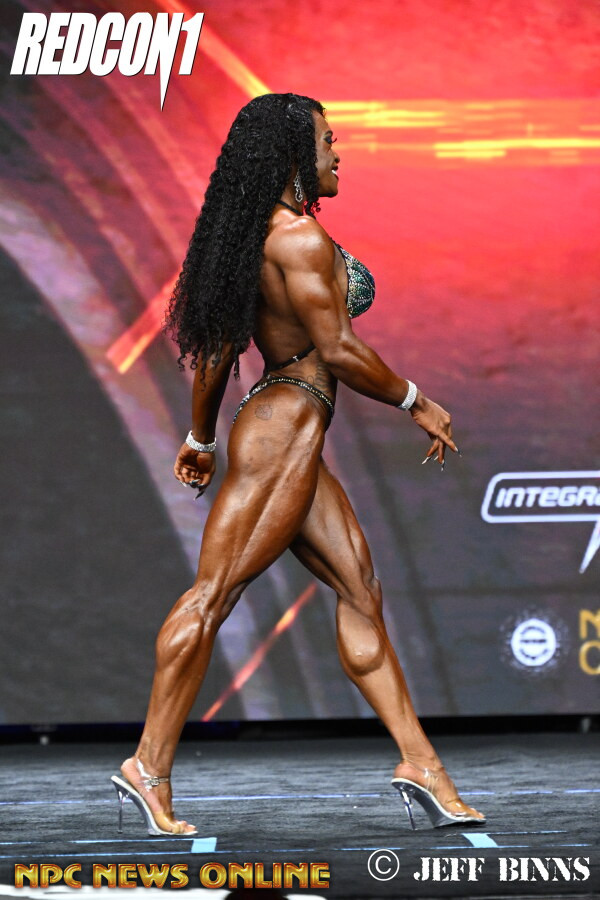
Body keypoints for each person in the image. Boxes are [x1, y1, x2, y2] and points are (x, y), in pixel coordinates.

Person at [110, 93, 485, 835]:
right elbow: (338, 350)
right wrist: (416, 401)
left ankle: (421, 764)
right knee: (213, 597)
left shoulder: (257, 239)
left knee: (360, 589)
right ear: (292, 158)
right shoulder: (300, 241)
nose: (337, 153)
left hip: (289, 431)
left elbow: (218, 353)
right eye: (327, 140)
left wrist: (201, 438)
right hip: (283, 431)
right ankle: (147, 767)